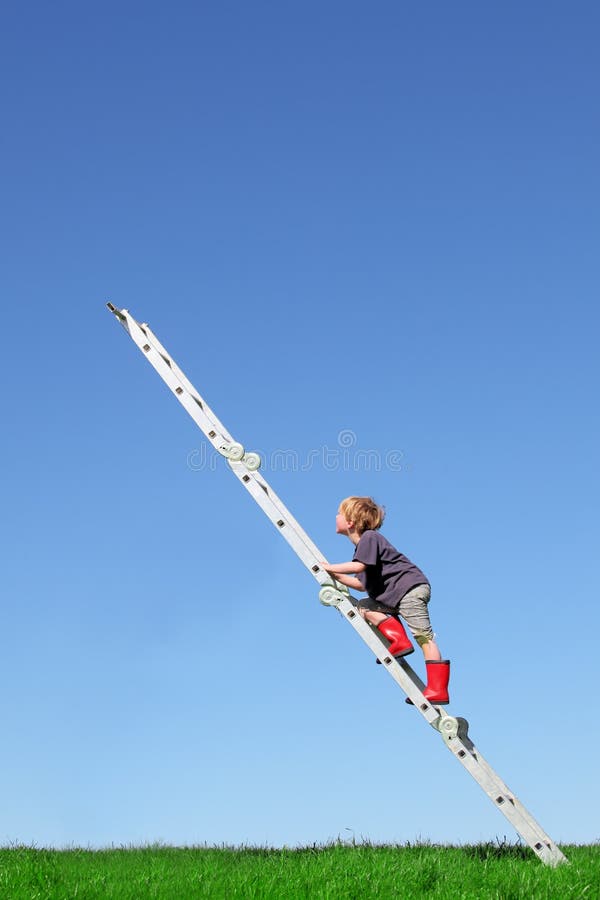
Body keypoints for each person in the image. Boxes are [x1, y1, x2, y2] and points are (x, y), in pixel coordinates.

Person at [321, 495, 450, 704]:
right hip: (395, 596)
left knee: (424, 638)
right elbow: (361, 584)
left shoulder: (369, 538)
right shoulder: (363, 548)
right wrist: (335, 575)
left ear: (351, 521)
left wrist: (329, 567)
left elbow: (358, 567)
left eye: (339, 513)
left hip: (408, 589)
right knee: (365, 605)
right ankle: (399, 641)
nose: (335, 516)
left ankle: (437, 689)